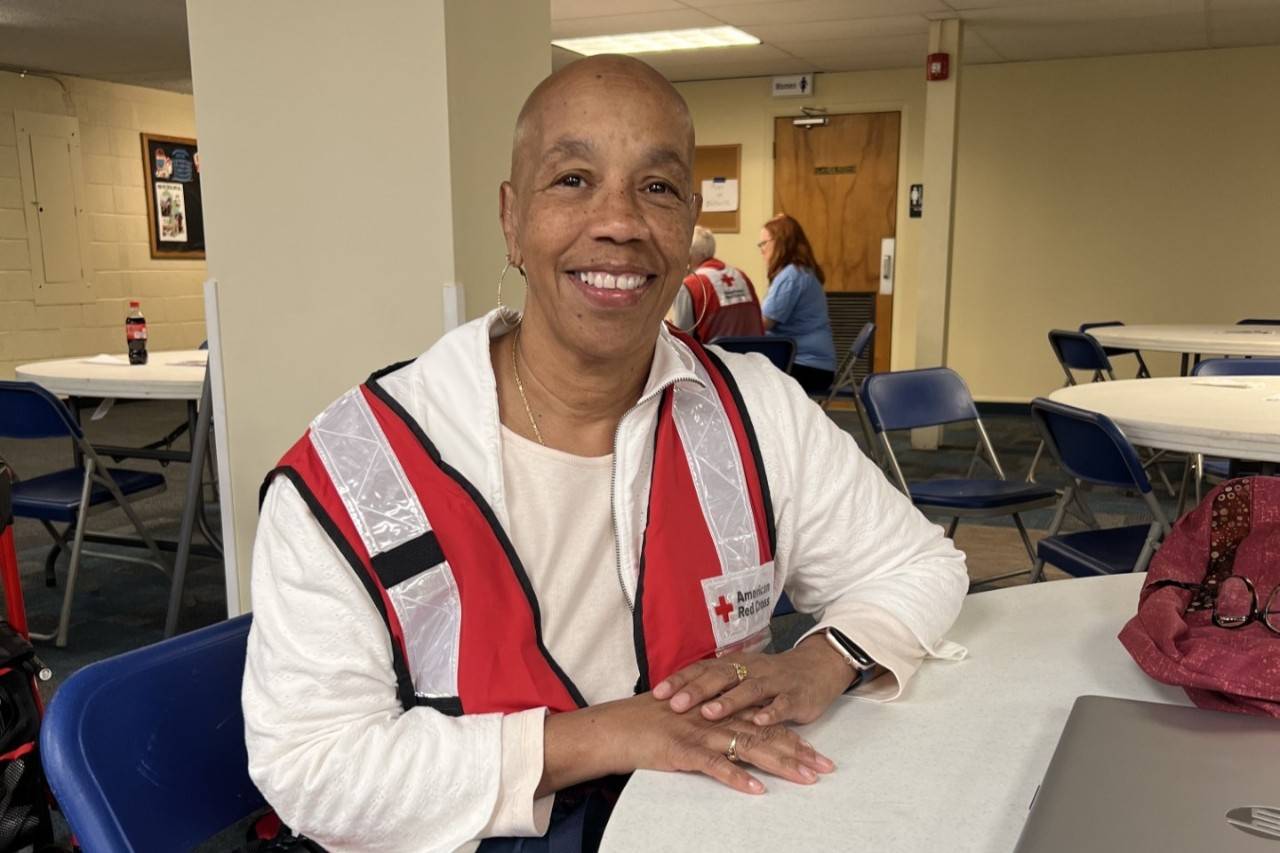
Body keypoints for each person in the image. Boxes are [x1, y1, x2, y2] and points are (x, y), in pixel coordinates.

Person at [243, 54, 968, 853]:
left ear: (688, 226)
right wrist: (610, 735)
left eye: (655, 188)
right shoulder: (353, 470)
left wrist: (821, 660)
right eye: (573, 180)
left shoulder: (754, 410)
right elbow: (312, 767)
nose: (619, 221)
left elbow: (921, 566)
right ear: (511, 219)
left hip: (705, 823)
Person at [758, 214, 838, 393]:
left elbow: (764, 322)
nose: (761, 250)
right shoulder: (801, 272)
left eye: (764, 244)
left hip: (806, 367)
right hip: (816, 365)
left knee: (745, 375)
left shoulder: (791, 276)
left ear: (780, 242)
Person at [670, 225, 763, 342]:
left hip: (712, 359)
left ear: (688, 256)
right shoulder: (741, 276)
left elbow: (681, 342)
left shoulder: (689, 286)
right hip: (754, 357)